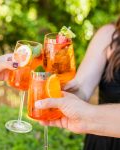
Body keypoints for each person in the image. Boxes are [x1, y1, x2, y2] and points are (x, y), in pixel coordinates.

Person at [35, 16, 120, 150]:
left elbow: (86, 112)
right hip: (102, 140)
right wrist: (68, 93)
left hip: (95, 122)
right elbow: (82, 88)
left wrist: (88, 114)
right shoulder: (108, 34)